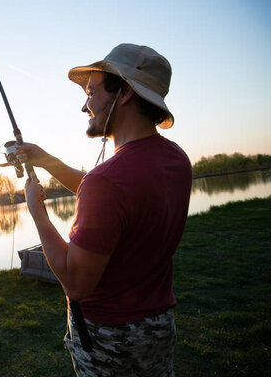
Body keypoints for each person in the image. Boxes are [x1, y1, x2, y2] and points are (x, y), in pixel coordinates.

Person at [15, 44, 192, 376]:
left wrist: (37, 213)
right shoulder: (177, 160)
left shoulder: (107, 182)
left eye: (92, 92)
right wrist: (45, 160)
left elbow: (76, 283)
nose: (85, 106)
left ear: (124, 93)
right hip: (158, 328)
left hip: (109, 341)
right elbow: (114, 197)